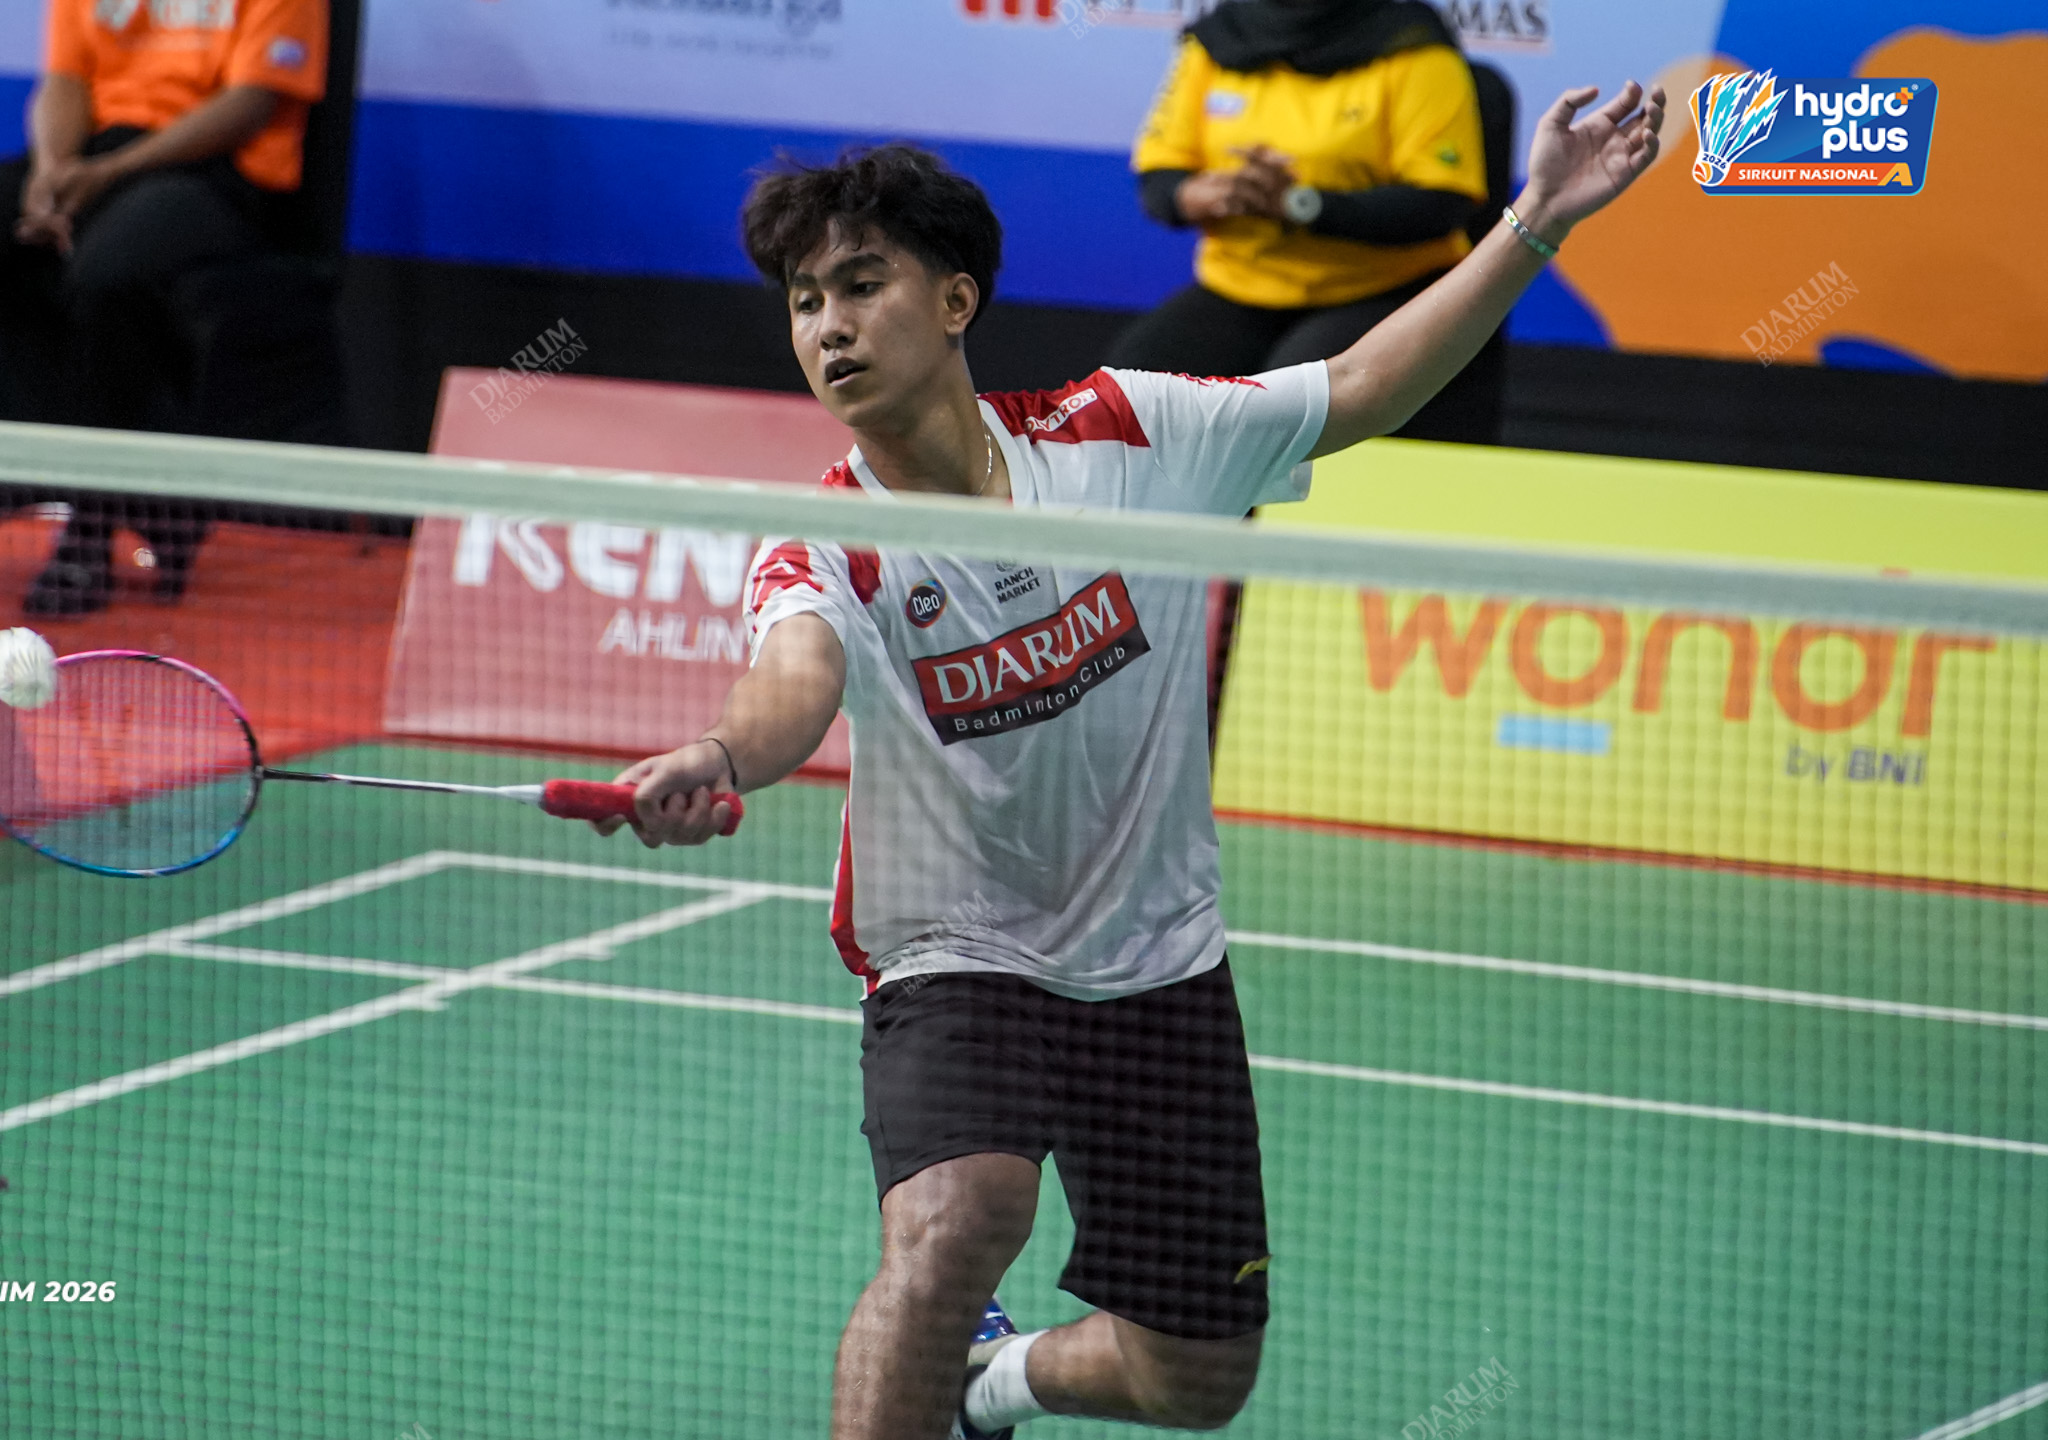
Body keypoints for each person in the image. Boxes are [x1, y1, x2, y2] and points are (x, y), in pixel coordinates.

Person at [597, 75, 1664, 1439]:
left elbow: (1363, 387)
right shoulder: (828, 546)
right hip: (955, 949)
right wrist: (717, 753)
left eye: (862, 285)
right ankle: (943, 1351)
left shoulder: (1125, 436)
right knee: (958, 1218)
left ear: (956, 301)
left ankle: (990, 1383)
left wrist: (1539, 216)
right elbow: (790, 687)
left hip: (1156, 962)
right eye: (804, 302)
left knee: (1195, 1379)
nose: (829, 326)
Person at [0, 0, 329, 616]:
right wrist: (52, 171)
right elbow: (66, 80)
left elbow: (251, 104)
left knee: (106, 275)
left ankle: (91, 529)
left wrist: (109, 175)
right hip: (95, 154)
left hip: (217, 171)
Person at [1113, 0, 1498, 442]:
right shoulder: (1218, 40)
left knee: (1288, 410)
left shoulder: (1413, 48)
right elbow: (1160, 176)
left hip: (1379, 287)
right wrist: (1198, 195)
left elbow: (1440, 203)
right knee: (1130, 393)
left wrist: (1304, 205)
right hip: (1240, 284)